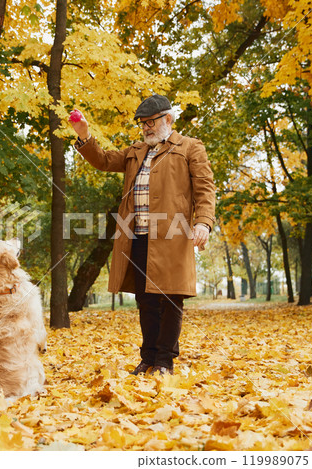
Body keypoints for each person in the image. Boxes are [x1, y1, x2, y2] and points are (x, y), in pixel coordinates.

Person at [69, 95, 216, 375]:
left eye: (151, 122)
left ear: (168, 120)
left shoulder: (190, 148)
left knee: (171, 299)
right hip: (137, 236)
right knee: (146, 299)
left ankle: (164, 361)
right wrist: (84, 135)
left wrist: (203, 223)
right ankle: (148, 358)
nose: (146, 128)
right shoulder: (135, 152)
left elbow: (205, 190)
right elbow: (102, 161)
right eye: (143, 124)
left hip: (173, 236)